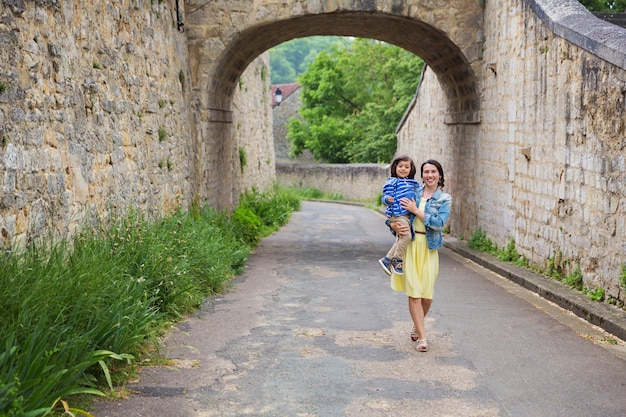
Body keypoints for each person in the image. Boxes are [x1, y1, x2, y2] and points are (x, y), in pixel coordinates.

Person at [388, 159, 451, 352]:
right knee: (414, 292)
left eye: (433, 172)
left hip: (429, 248)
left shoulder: (444, 199)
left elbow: (439, 223)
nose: (429, 175)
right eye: (426, 172)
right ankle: (423, 338)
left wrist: (416, 211)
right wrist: (392, 225)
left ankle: (417, 325)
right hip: (411, 246)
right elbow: (395, 212)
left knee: (427, 295)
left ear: (439, 175)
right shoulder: (412, 192)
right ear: (421, 175)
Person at [378, 155, 421, 276]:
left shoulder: (414, 183)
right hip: (396, 214)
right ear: (395, 168)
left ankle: (386, 260)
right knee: (407, 236)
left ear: (411, 169)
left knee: (402, 237)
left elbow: (420, 193)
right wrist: (388, 199)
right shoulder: (392, 181)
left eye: (407, 167)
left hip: (407, 216)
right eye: (400, 166)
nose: (403, 169)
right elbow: (384, 196)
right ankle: (397, 260)